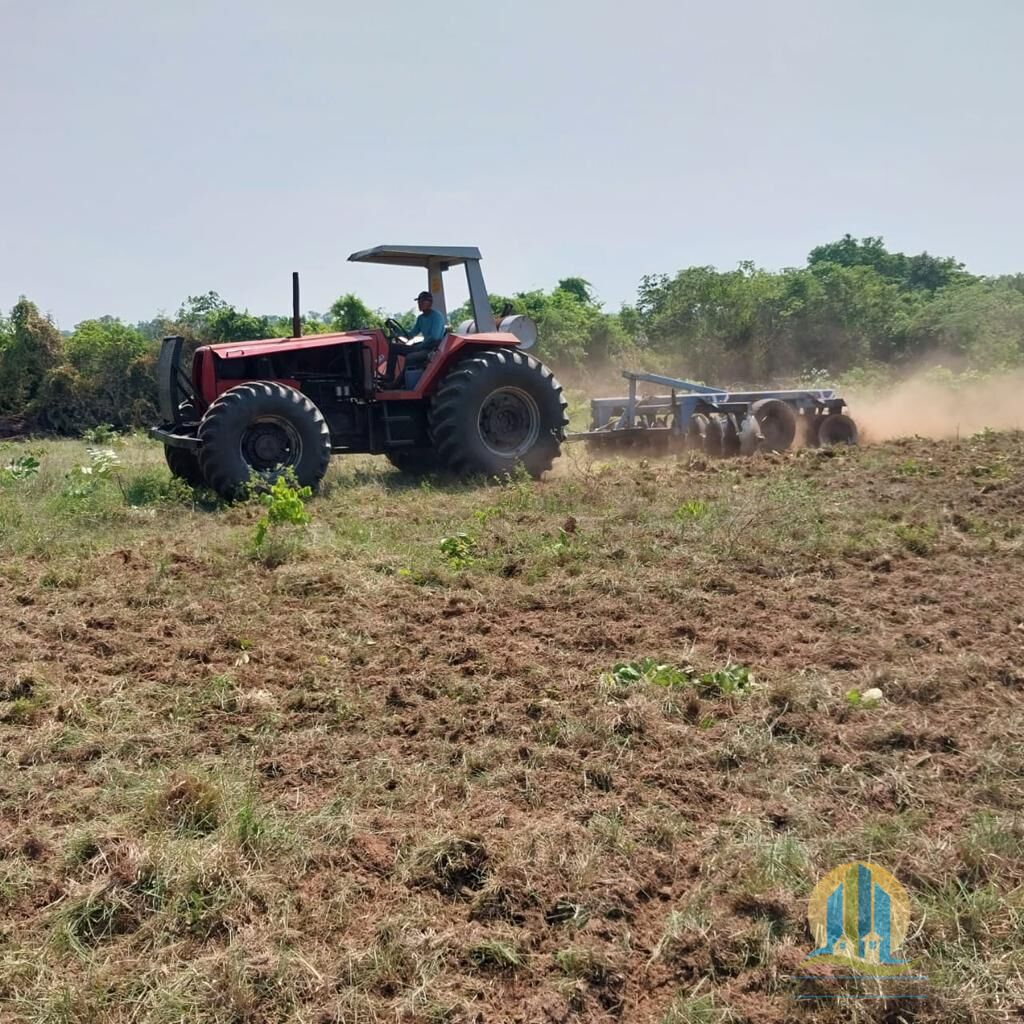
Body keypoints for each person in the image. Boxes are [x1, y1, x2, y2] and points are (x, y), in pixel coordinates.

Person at [384, 291, 448, 384]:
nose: (419, 304)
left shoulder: (437, 317)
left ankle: (398, 383)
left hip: (432, 350)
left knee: (410, 357)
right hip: (421, 348)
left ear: (429, 303)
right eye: (418, 302)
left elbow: (435, 338)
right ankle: (389, 377)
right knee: (393, 348)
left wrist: (420, 346)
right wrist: (395, 328)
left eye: (422, 301)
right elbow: (410, 335)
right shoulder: (421, 318)